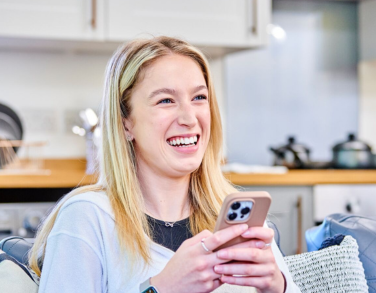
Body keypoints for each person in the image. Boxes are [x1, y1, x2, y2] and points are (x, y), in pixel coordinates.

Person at [28, 36, 300, 293]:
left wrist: (277, 286)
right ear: (126, 123)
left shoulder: (236, 216)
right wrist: (161, 288)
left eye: (199, 98)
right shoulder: (87, 218)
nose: (189, 118)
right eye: (166, 100)